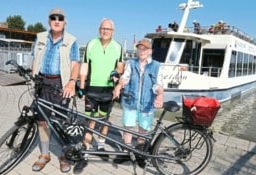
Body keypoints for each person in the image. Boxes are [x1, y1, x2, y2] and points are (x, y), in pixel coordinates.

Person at [31, 8, 80, 173]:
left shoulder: (72, 40)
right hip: (42, 82)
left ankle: (64, 156)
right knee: (42, 120)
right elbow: (34, 58)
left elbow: (75, 64)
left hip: (61, 84)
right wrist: (32, 77)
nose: (57, 21)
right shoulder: (39, 37)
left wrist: (72, 83)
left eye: (60, 18)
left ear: (65, 21)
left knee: (61, 123)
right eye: (53, 18)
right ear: (49, 20)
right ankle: (45, 155)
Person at [74, 18, 124, 174]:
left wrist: (117, 74)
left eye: (108, 29)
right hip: (92, 88)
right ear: (99, 29)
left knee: (105, 119)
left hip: (108, 89)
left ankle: (101, 144)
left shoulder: (118, 47)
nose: (105, 31)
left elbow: (121, 68)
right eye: (103, 28)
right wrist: (81, 87)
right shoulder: (91, 44)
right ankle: (86, 151)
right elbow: (84, 66)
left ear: (113, 31)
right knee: (90, 120)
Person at [112, 39, 164, 167]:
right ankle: (126, 152)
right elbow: (125, 77)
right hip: (131, 100)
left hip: (147, 103)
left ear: (150, 51)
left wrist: (160, 95)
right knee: (128, 128)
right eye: (140, 49)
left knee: (143, 130)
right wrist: (118, 86)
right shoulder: (131, 63)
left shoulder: (156, 65)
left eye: (145, 49)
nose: (142, 51)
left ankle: (140, 154)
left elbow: (159, 83)